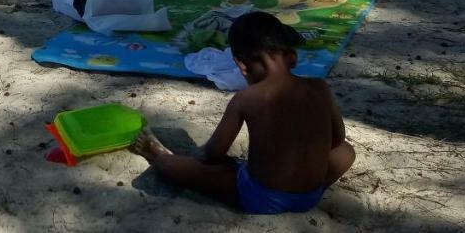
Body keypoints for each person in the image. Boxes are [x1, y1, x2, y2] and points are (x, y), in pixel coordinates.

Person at [129, 11, 355, 214]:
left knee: (177, 168)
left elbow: (213, 154)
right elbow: (336, 140)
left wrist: (197, 159)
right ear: (292, 57)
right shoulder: (319, 87)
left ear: (241, 65)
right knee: (347, 152)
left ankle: (157, 156)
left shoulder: (246, 99)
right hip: (310, 196)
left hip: (262, 197)